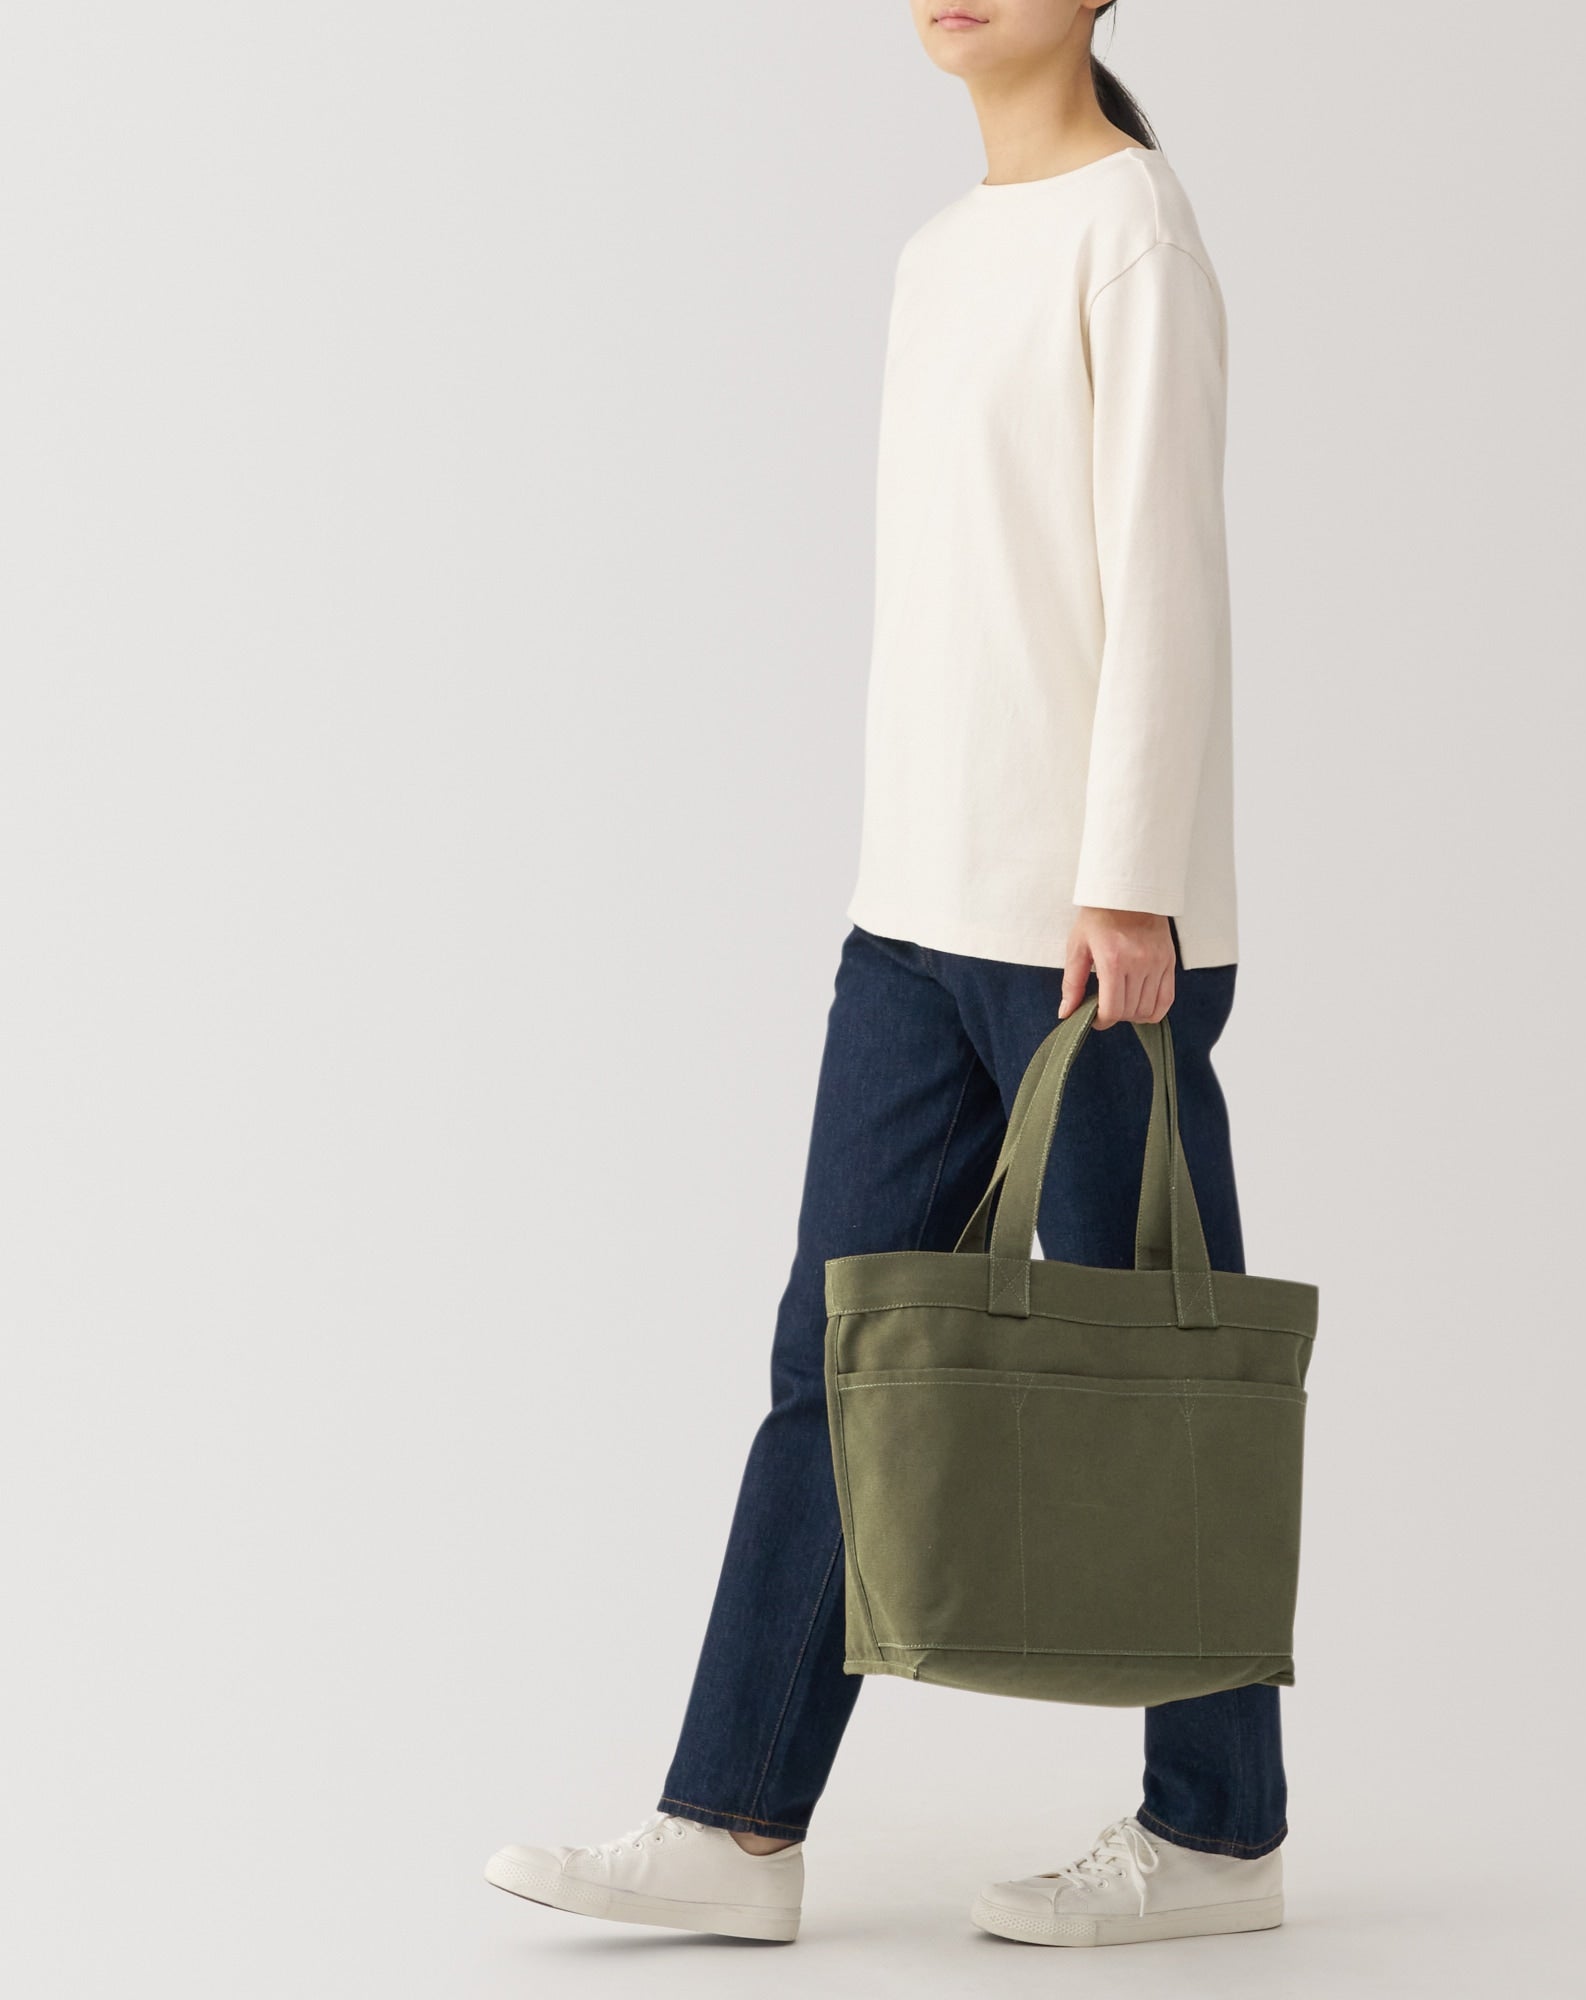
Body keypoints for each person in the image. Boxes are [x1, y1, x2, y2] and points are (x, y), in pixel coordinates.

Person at [486, 0, 1283, 1949]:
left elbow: (1162, 573)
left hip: (1091, 933)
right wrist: (900, 878)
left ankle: (1219, 1838)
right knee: (831, 1358)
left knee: (1151, 1380)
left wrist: (1126, 886)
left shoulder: (1132, 227)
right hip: (918, 917)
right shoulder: (939, 256)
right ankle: (733, 1825)